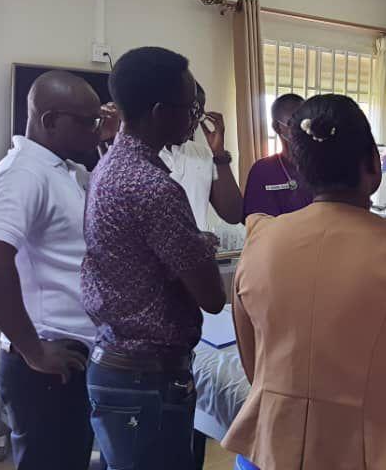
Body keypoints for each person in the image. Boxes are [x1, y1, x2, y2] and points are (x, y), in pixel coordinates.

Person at [224, 94, 386, 470]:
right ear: (373, 164)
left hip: (267, 451)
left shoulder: (260, 240)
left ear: (301, 169)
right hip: (369, 456)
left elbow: (253, 364)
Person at [82, 47, 226, 470]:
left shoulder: (109, 167)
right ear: (161, 112)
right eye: (190, 108)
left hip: (116, 363)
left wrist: (191, 242)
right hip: (147, 378)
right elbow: (211, 297)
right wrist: (201, 245)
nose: (195, 119)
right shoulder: (154, 188)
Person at [0, 71, 117, 470]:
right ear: (50, 120)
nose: (96, 128)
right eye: (88, 122)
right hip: (46, 366)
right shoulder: (23, 173)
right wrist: (33, 350)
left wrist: (106, 139)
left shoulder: (66, 170)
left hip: (74, 357)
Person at [159, 83, 243, 228]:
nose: (195, 123)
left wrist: (219, 153)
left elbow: (233, 215)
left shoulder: (202, 153)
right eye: (192, 113)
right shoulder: (140, 155)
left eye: (199, 116)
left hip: (196, 243)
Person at [241, 93, 313, 218]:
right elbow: (256, 220)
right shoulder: (263, 170)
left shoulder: (322, 167)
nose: (302, 129)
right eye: (293, 123)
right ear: (277, 127)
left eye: (305, 122)